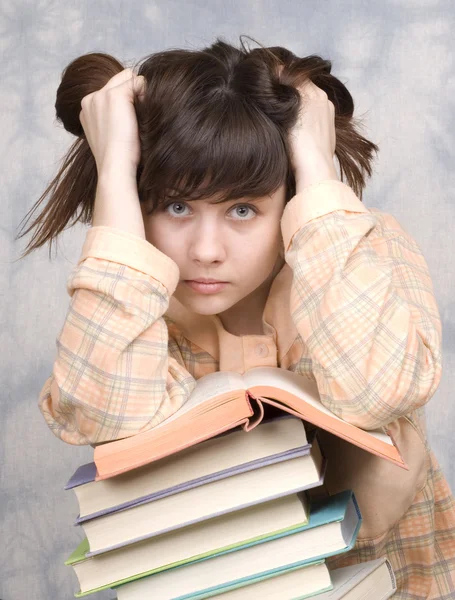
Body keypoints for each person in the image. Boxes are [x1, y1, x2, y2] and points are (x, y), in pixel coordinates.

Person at [17, 37, 455, 599]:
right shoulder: (130, 300)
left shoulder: (359, 254)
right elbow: (100, 416)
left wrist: (316, 168)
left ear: (290, 195)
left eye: (242, 210)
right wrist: (116, 174)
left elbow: (379, 393)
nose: (205, 249)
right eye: (176, 206)